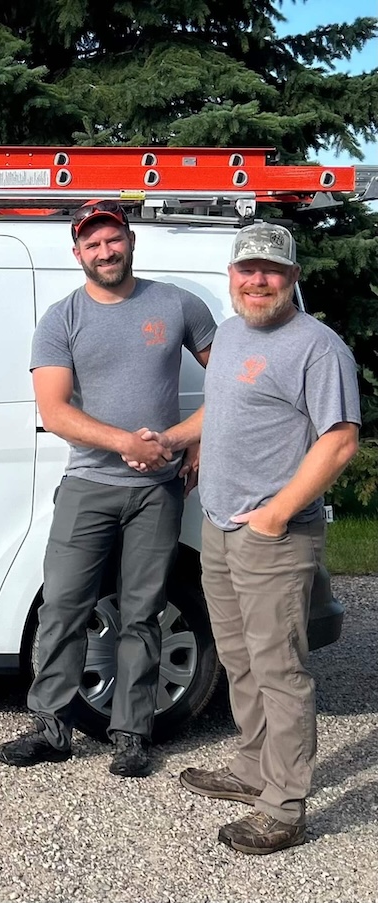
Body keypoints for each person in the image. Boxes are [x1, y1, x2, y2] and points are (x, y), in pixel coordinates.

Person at [147, 222, 360, 854]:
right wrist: (177, 440)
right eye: (247, 270)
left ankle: (285, 806)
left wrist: (275, 513)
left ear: (292, 277)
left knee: (278, 668)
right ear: (232, 276)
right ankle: (251, 768)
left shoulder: (318, 347)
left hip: (275, 535)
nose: (258, 280)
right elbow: (227, 406)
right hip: (219, 523)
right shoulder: (235, 332)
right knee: (239, 659)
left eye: (272, 271)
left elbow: (340, 439)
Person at [0, 199, 216, 777]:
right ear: (77, 254)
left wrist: (189, 440)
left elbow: (231, 386)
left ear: (130, 241)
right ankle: (51, 726)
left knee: (142, 612)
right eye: (92, 244)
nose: (104, 251)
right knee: (63, 606)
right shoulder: (62, 318)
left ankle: (132, 731)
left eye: (112, 239)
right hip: (89, 484)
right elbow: (55, 411)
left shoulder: (177, 305)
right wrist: (127, 443)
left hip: (157, 491)